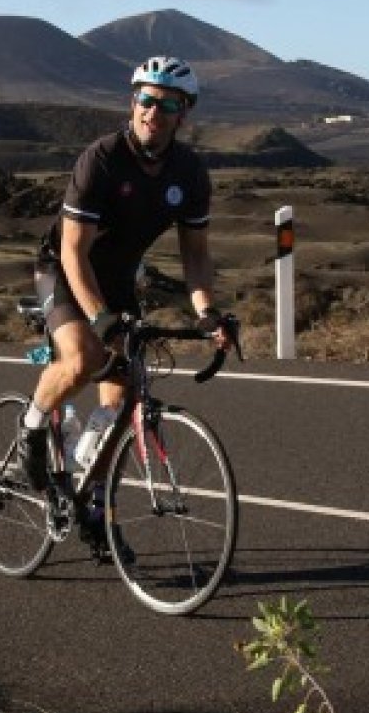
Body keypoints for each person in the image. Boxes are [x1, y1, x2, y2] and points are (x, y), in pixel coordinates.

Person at [14, 54, 233, 505]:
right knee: (84, 357)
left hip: (117, 279)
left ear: (183, 114)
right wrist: (100, 319)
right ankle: (31, 428)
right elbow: (74, 251)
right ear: (133, 102)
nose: (154, 112)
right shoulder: (103, 159)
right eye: (146, 100)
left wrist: (208, 313)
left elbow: (195, 254)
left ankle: (92, 500)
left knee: (127, 394)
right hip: (65, 270)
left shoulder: (189, 172)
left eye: (168, 105)